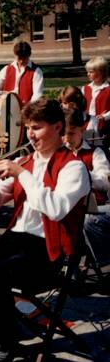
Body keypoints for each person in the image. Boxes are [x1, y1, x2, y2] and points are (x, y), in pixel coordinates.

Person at [0, 99, 89, 362]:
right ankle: (11, 328)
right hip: (17, 239)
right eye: (27, 128)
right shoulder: (25, 162)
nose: (30, 135)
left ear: (58, 127)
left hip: (49, 249)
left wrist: (21, 174)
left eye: (37, 128)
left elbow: (56, 209)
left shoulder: (73, 167)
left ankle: (8, 337)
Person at [62, 109, 110, 270]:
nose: (67, 139)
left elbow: (105, 182)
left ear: (82, 130)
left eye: (71, 133)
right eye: (64, 134)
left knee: (88, 221)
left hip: (91, 207)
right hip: (66, 208)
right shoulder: (59, 153)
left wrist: (84, 173)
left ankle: (101, 263)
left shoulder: (95, 152)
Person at [0, 41, 43, 107]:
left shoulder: (36, 71)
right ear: (15, 55)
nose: (21, 61)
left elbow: (37, 96)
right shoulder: (6, 69)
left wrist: (27, 109)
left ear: (29, 55)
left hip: (26, 109)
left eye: (24, 58)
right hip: (6, 108)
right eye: (19, 58)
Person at [81, 56, 109, 133]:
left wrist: (105, 116)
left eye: (91, 72)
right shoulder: (85, 88)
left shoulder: (108, 89)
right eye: (87, 72)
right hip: (87, 125)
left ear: (100, 72)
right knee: (88, 139)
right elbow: (81, 107)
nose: (88, 74)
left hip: (104, 127)